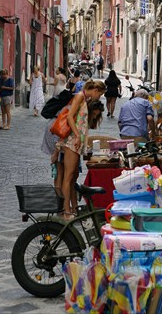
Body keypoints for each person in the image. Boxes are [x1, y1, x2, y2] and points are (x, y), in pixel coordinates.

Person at [59, 79, 106, 220]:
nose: (99, 97)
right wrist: (78, 136)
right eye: (101, 94)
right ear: (96, 90)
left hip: (77, 142)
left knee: (73, 176)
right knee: (68, 176)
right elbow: (69, 117)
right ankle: (66, 210)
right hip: (73, 141)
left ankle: (72, 208)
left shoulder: (84, 99)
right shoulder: (80, 96)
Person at [41, 99, 105, 190]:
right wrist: (56, 153)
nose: (94, 117)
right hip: (58, 135)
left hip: (64, 140)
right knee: (60, 170)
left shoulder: (81, 112)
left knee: (66, 172)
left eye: (97, 115)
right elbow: (62, 134)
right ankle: (60, 199)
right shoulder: (78, 114)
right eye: (94, 114)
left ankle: (62, 198)